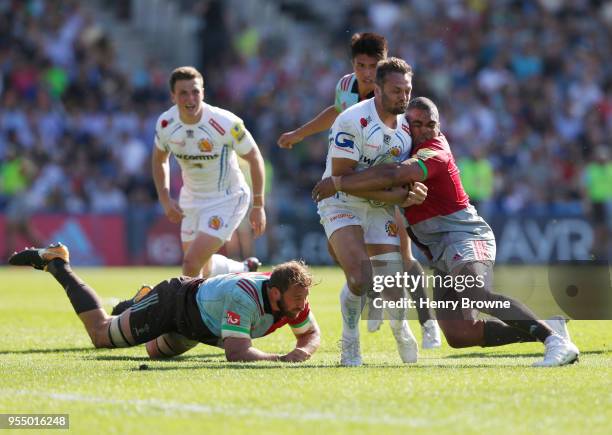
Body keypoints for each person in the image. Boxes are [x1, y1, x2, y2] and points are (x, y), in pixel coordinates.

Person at [313, 97, 580, 367]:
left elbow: (395, 173)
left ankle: (553, 342)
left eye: (431, 124)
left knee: (476, 293)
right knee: (460, 334)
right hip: (441, 253)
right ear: (406, 126)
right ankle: (550, 327)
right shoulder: (399, 149)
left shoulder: (434, 149)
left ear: (439, 127)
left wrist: (338, 182)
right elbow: (387, 178)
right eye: (416, 124)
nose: (425, 130)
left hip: (465, 237)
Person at [277, 32, 440, 348]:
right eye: (360, 65)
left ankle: (427, 320)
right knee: (337, 253)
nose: (366, 73)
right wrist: (300, 133)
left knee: (405, 258)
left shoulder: (397, 95)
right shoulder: (347, 88)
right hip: (352, 186)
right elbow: (335, 112)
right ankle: (371, 294)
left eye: (372, 65)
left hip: (387, 184)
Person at [8, 243, 320, 363]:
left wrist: (301, 350)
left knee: (155, 353)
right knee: (102, 334)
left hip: (199, 324)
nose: (301, 306)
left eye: (303, 298)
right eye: (296, 299)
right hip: (176, 302)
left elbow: (310, 334)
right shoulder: (246, 297)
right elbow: (236, 353)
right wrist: (283, 359)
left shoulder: (293, 295)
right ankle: (57, 262)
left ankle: (139, 303)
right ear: (276, 294)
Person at [314, 57, 429, 367]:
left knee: (394, 287)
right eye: (395, 90)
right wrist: (397, 194)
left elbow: (409, 174)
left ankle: (400, 327)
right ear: (376, 90)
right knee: (361, 278)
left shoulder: (409, 126)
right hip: (340, 201)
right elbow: (342, 181)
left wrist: (410, 192)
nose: (403, 97)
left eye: (407, 90)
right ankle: (350, 341)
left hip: (379, 206)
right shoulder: (352, 121)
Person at [152, 66, 265, 278]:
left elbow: (254, 157)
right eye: (183, 93)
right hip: (191, 199)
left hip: (227, 198)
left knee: (190, 263)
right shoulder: (166, 124)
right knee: (202, 267)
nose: (190, 98)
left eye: (195, 91)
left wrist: (259, 205)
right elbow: (159, 160)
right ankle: (243, 269)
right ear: (173, 96)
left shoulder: (225, 123)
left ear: (203, 92)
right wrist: (165, 198)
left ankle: (190, 311)